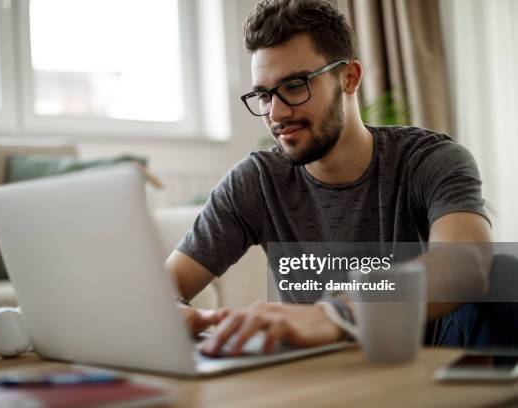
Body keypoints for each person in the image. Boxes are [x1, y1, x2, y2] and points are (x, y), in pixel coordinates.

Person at [165, 0, 493, 356]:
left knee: (506, 274)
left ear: (349, 77)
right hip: (316, 375)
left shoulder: (428, 160)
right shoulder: (256, 181)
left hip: (416, 365)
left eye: (294, 86)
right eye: (263, 94)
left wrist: (337, 315)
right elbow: (165, 285)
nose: (276, 113)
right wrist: (170, 312)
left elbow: (468, 261)